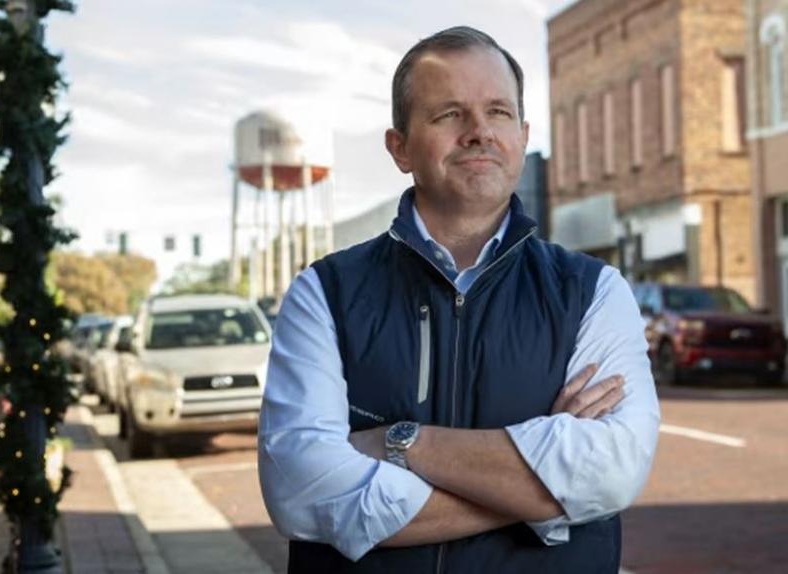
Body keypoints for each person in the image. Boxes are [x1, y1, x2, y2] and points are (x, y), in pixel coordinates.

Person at [259, 26, 660, 574]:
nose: (479, 132)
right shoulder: (324, 294)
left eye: (498, 112)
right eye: (450, 114)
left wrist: (401, 442)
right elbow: (301, 493)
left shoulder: (593, 292)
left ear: (522, 136)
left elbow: (610, 473)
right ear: (399, 148)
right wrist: (544, 493)